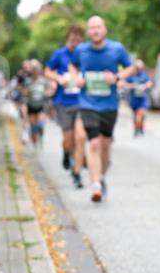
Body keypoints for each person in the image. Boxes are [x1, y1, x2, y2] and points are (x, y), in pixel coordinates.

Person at [70, 15, 135, 203]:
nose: (95, 31)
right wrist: (77, 79)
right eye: (91, 28)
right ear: (88, 32)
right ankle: (95, 184)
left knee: (105, 146)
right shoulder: (81, 50)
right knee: (95, 143)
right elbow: (72, 66)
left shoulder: (116, 49)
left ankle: (101, 176)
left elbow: (130, 68)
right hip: (88, 103)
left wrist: (116, 78)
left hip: (109, 105)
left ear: (104, 29)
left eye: (98, 27)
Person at [45, 25, 86, 188]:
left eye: (77, 40)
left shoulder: (85, 54)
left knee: (80, 137)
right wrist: (58, 78)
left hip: (82, 102)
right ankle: (66, 152)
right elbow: (47, 71)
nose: (74, 43)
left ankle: (77, 174)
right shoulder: (59, 54)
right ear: (67, 39)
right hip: (63, 102)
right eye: (72, 39)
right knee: (68, 139)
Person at [23, 60, 51, 147]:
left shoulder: (44, 81)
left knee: (40, 124)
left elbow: (49, 90)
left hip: (41, 105)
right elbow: (24, 93)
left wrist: (45, 93)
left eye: (37, 69)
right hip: (31, 104)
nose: (35, 71)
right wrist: (29, 91)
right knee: (33, 126)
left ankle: (41, 135)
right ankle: (34, 141)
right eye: (33, 69)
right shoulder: (28, 81)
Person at [122, 59, 152, 136]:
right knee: (135, 115)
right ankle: (136, 128)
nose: (139, 69)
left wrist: (145, 86)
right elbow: (123, 84)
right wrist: (132, 86)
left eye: (141, 68)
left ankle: (140, 127)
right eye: (137, 68)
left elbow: (149, 83)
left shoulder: (144, 75)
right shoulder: (131, 76)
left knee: (141, 113)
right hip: (133, 98)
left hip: (142, 98)